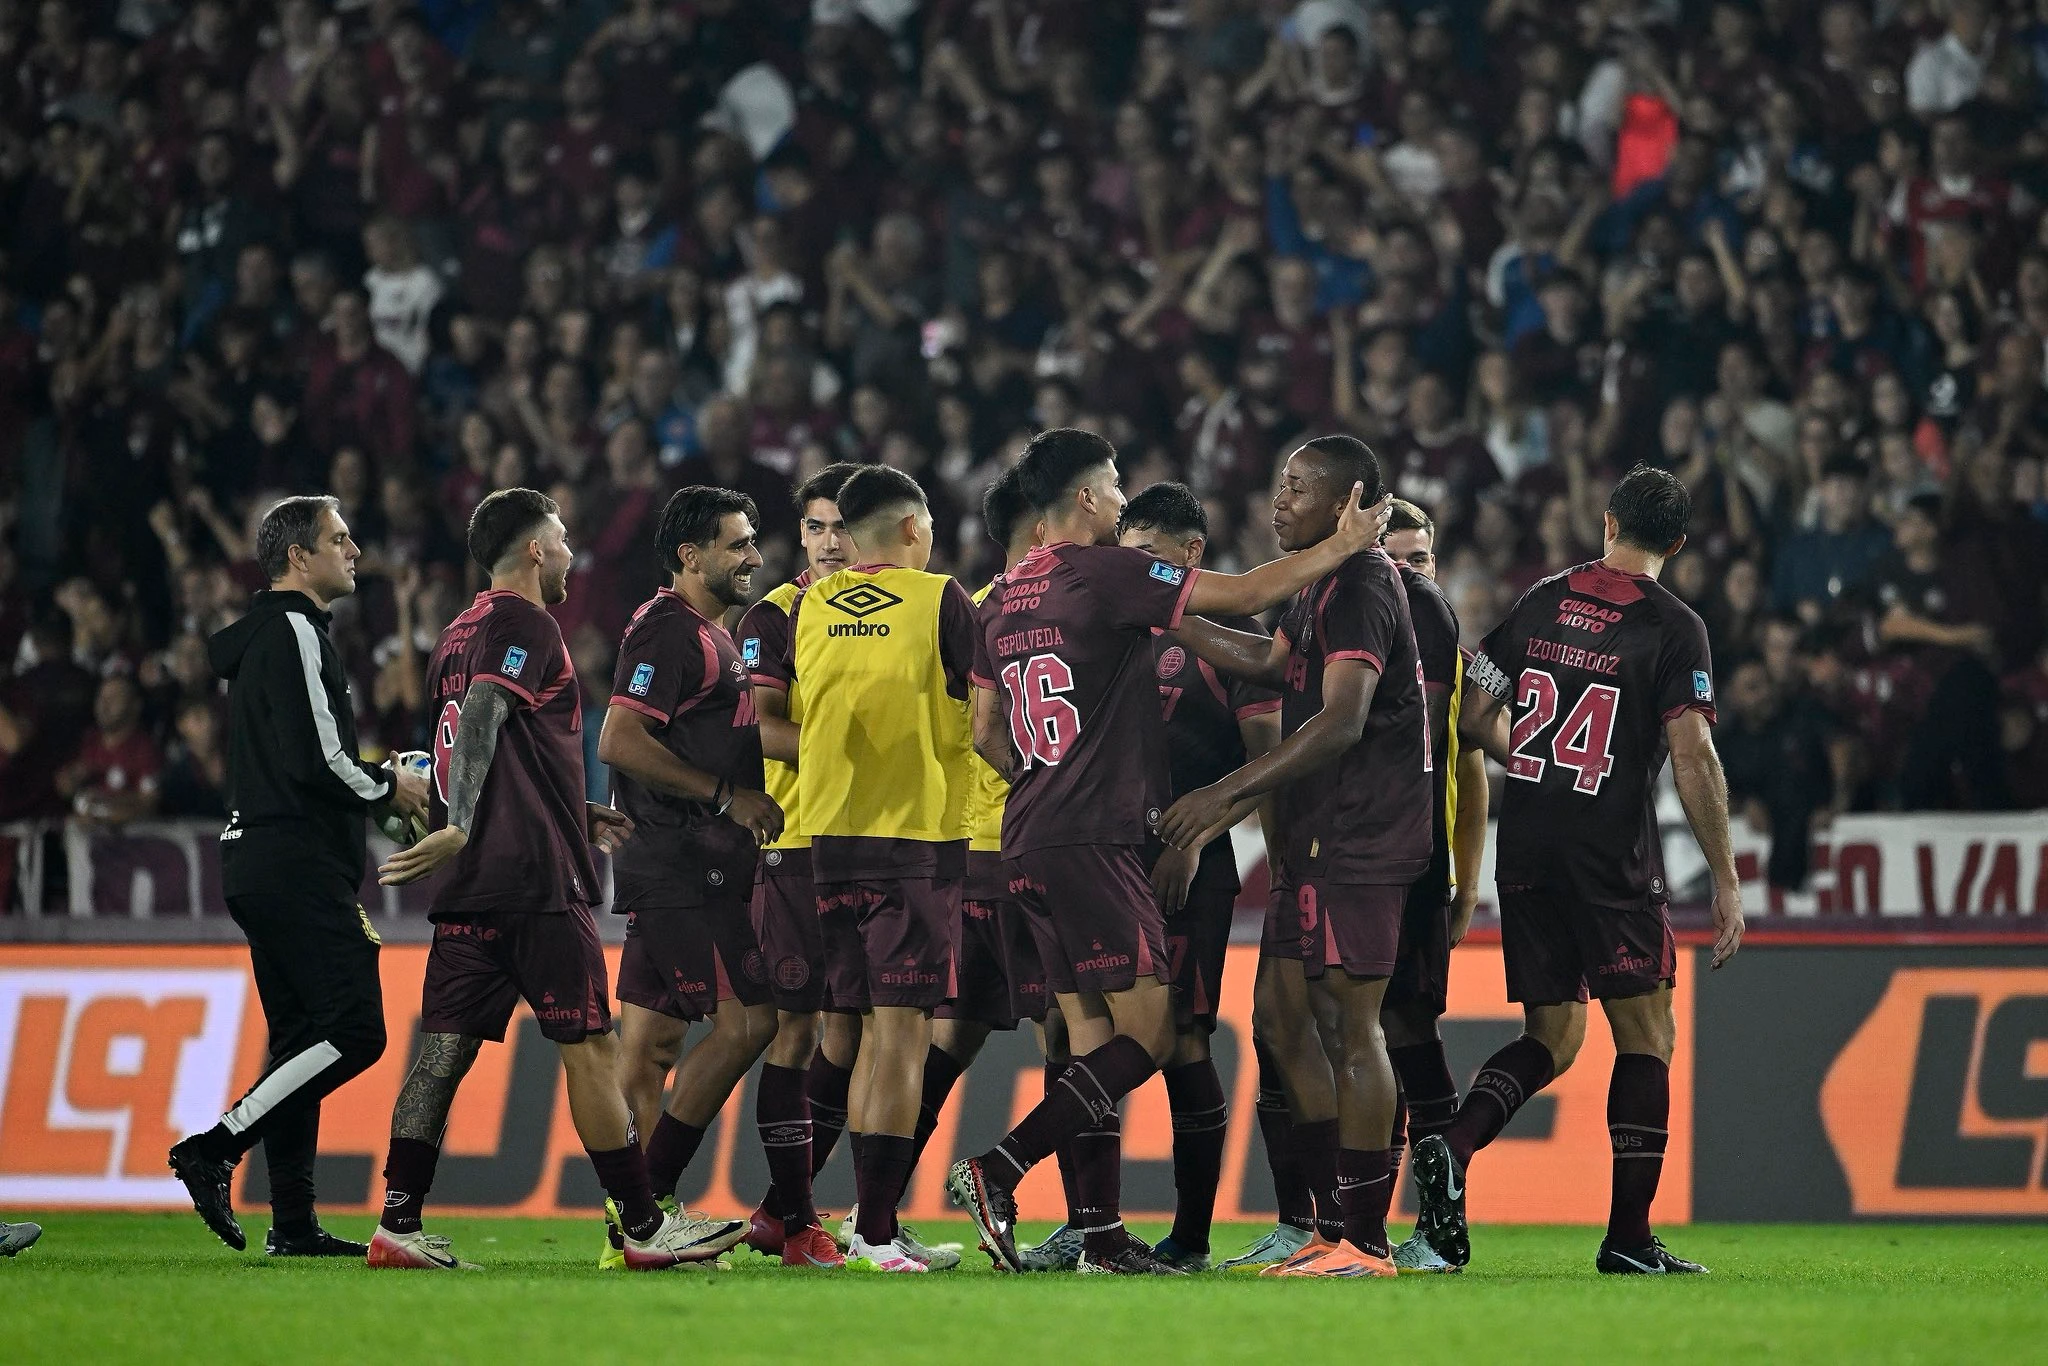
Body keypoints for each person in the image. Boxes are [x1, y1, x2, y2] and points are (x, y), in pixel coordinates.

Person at [948, 426, 1387, 1277]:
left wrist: (1047, 769)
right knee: (1148, 1037)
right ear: (1083, 498)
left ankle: (1101, 1236)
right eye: (1113, 487)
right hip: (1097, 838)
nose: (1121, 502)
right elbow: (1251, 588)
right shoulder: (1102, 569)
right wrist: (1344, 544)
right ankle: (997, 1170)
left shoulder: (1002, 596)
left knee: (1085, 1037)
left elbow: (986, 735)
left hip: (1025, 836)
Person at [369, 488, 715, 1271]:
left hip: (476, 881)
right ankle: (643, 1225)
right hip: (533, 881)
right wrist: (460, 819)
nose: (568, 554)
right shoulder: (524, 622)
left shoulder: (454, 633)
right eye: (560, 539)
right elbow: (487, 714)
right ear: (532, 549)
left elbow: (479, 749)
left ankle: (397, 1220)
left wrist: (572, 807)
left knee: (442, 1054)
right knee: (590, 1046)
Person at [1411, 464, 1744, 1276]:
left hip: (1528, 844)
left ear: (1606, 524)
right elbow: (1693, 754)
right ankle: (1628, 1239)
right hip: (1607, 852)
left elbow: (1476, 705)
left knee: (1553, 1035)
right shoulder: (1675, 627)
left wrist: (1537, 758)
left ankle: (1452, 1145)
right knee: (1649, 1035)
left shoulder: (1541, 600)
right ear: (1677, 542)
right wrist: (1726, 877)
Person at [1159, 436, 1432, 1279]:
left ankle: (1367, 1240)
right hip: (1318, 834)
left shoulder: (1363, 586)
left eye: (1299, 489)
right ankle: (1327, 1223)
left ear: (1351, 501)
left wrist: (1226, 792)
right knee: (1279, 1018)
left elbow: (1343, 718)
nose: (1279, 501)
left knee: (1352, 1027)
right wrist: (1176, 618)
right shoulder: (1318, 585)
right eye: (1279, 484)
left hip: (1361, 834)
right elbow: (1273, 663)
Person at [165, 495, 429, 1257]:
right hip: (295, 862)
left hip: (255, 858)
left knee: (300, 1040)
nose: (355, 550)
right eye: (340, 539)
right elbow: (320, 760)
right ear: (297, 558)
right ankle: (215, 1148)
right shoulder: (294, 628)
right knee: (353, 1030)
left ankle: (293, 1221)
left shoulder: (261, 639)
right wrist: (389, 786)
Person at [593, 486, 801, 1269]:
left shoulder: (704, 634)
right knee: (750, 1022)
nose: (754, 555)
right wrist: (726, 796)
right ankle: (646, 1217)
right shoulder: (669, 632)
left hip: (679, 863)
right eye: (739, 543)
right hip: (688, 864)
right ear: (691, 555)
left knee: (648, 1046)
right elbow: (619, 738)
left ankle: (641, 1222)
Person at [779, 465, 979, 1273]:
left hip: (828, 843)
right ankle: (877, 1232)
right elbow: (989, 711)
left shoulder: (810, 607)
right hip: (914, 840)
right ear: (910, 530)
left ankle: (869, 1227)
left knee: (857, 1033)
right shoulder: (941, 600)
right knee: (900, 1038)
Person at [1115, 481, 1281, 1271]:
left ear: (1189, 557)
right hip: (1104, 862)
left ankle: (1189, 1237)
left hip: (1192, 869)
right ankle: (1093, 1226)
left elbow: (1266, 766)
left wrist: (1195, 836)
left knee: (1182, 1039)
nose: (1133, 570)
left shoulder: (1234, 635)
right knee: (1076, 1030)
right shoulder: (1110, 627)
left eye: (1149, 556)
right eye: (1126, 555)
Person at [733, 463, 870, 1261]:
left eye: (840, 527)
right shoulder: (776, 615)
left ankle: (786, 1210)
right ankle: (795, 1219)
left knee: (848, 1034)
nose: (826, 543)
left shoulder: (899, 611)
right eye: (815, 527)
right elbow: (762, 724)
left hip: (872, 844)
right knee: (795, 1031)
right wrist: (864, 756)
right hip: (797, 844)